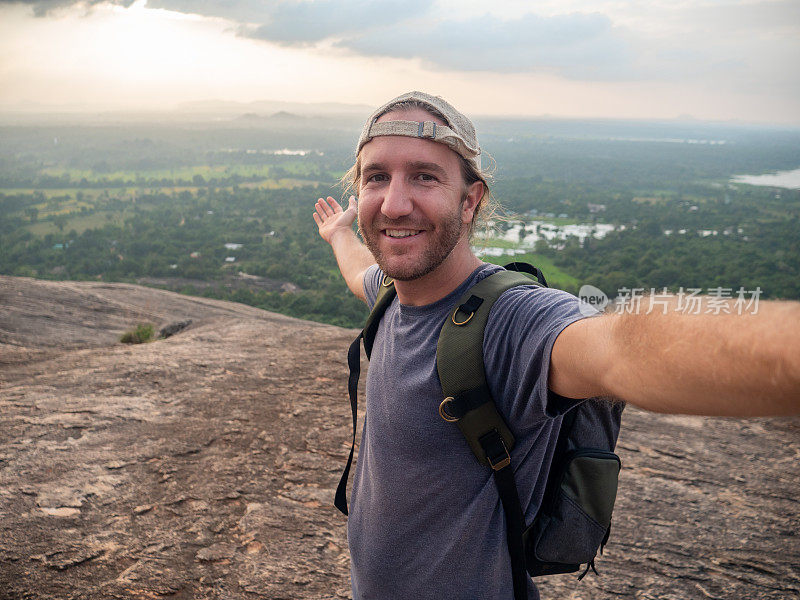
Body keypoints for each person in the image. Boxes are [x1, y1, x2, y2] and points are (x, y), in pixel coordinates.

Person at [312, 91, 800, 600]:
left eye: (425, 176)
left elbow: (624, 348)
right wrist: (339, 234)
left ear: (470, 200)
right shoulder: (391, 293)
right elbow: (360, 273)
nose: (393, 203)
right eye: (376, 178)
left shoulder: (511, 323)